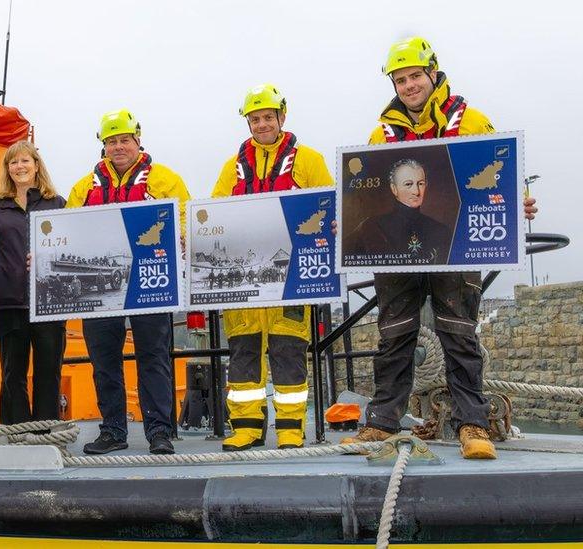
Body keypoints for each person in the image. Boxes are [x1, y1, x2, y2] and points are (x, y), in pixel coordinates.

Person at [342, 37, 538, 459]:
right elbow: (366, 187)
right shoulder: (380, 134)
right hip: (397, 252)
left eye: (415, 76)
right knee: (393, 337)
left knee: (459, 335)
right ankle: (382, 424)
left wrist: (519, 201)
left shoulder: (474, 121)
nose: (409, 85)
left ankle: (473, 423)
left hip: (456, 247)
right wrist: (349, 215)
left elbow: (502, 172)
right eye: (400, 79)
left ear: (433, 73)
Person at [211, 84, 334, 451]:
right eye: (255, 119)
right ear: (247, 122)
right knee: (243, 354)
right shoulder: (231, 168)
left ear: (282, 116)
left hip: (292, 277)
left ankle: (290, 429)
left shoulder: (309, 160)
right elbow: (216, 211)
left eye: (267, 117)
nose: (262, 124)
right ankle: (246, 428)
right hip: (244, 283)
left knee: (289, 352)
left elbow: (327, 206)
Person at [66, 109, 191, 455]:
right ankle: (113, 431)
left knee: (153, 356)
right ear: (103, 146)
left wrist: (181, 235)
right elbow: (67, 227)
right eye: (112, 141)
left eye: (124, 140)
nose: (118, 147)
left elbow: (184, 216)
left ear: (138, 140)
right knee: (104, 360)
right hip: (101, 287)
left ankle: (159, 432)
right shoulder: (83, 187)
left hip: (151, 283)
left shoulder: (165, 180)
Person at [0, 140, 67, 425]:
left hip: (49, 301)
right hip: (8, 301)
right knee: (12, 372)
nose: (19, 167)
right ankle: (16, 430)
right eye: (13, 162)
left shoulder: (57, 203)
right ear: (8, 169)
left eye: (25, 161)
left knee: (48, 369)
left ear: (36, 165)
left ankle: (47, 430)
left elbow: (70, 246)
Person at [346, 158, 452, 263]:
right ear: (394, 188)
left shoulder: (441, 230)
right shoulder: (372, 227)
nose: (416, 192)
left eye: (420, 183)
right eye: (408, 184)